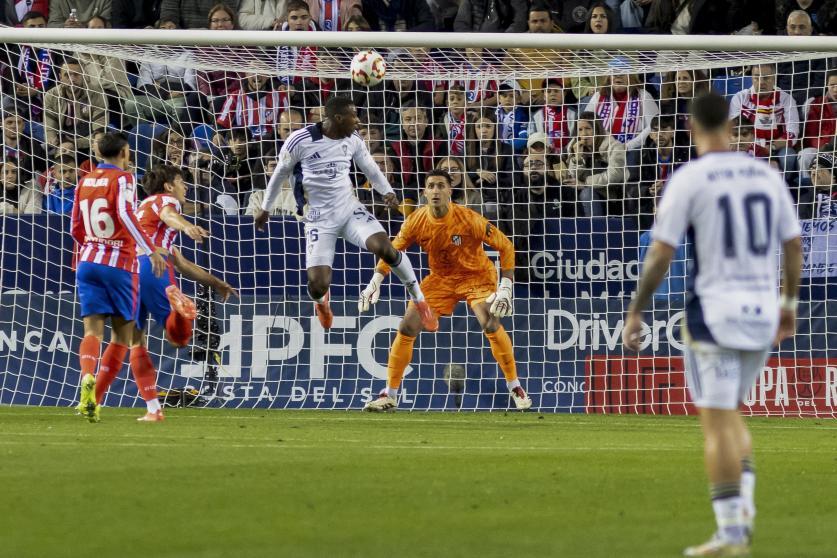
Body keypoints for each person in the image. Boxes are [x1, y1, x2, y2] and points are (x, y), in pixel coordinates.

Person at [623, 92, 802, 557]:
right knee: (732, 414)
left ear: (690, 125)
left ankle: (731, 533)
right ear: (730, 121)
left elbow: (661, 252)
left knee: (716, 423)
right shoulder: (765, 174)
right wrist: (788, 303)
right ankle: (744, 513)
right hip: (763, 311)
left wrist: (637, 308)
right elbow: (794, 245)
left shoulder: (690, 178)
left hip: (715, 314)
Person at [253, 96, 436, 331]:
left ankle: (420, 300)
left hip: (350, 209)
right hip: (319, 219)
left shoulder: (352, 138)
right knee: (318, 284)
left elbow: (369, 166)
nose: (358, 121)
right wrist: (266, 208)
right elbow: (279, 174)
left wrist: (387, 192)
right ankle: (322, 303)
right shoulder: (299, 140)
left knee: (385, 248)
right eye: (353, 115)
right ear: (338, 118)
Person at [360, 170, 532, 412]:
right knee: (407, 326)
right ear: (425, 192)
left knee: (489, 322)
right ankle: (389, 394)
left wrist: (506, 285)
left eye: (441, 185)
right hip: (441, 280)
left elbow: (505, 245)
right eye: (431, 186)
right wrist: (376, 279)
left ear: (450, 191)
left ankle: (515, 386)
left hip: (477, 277)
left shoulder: (468, 218)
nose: (436, 190)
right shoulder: (415, 221)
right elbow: (392, 251)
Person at [71, 132, 168, 423]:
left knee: (91, 332)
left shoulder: (84, 179)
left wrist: (91, 245)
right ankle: (97, 397)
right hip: (120, 264)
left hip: (88, 261)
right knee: (123, 337)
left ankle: (87, 377)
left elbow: (75, 224)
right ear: (124, 152)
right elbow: (126, 215)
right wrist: (150, 250)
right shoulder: (123, 178)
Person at [128, 165, 237, 421]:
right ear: (168, 186)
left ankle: (153, 409)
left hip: (129, 270)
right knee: (177, 338)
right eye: (181, 181)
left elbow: (183, 264)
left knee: (136, 341)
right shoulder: (165, 200)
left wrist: (216, 283)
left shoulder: (143, 212)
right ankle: (180, 313)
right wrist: (187, 226)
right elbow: (169, 214)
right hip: (153, 267)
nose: (185, 187)